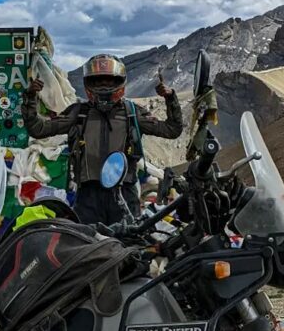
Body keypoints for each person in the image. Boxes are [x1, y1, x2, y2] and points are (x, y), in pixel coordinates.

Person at [22, 53, 183, 226]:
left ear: (119, 82)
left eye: (108, 81)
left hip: (124, 193)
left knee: (129, 246)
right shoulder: (79, 112)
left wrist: (170, 98)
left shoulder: (132, 113)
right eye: (98, 81)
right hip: (88, 195)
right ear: (88, 83)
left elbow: (172, 130)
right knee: (87, 245)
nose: (104, 86)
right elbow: (38, 129)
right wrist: (31, 98)